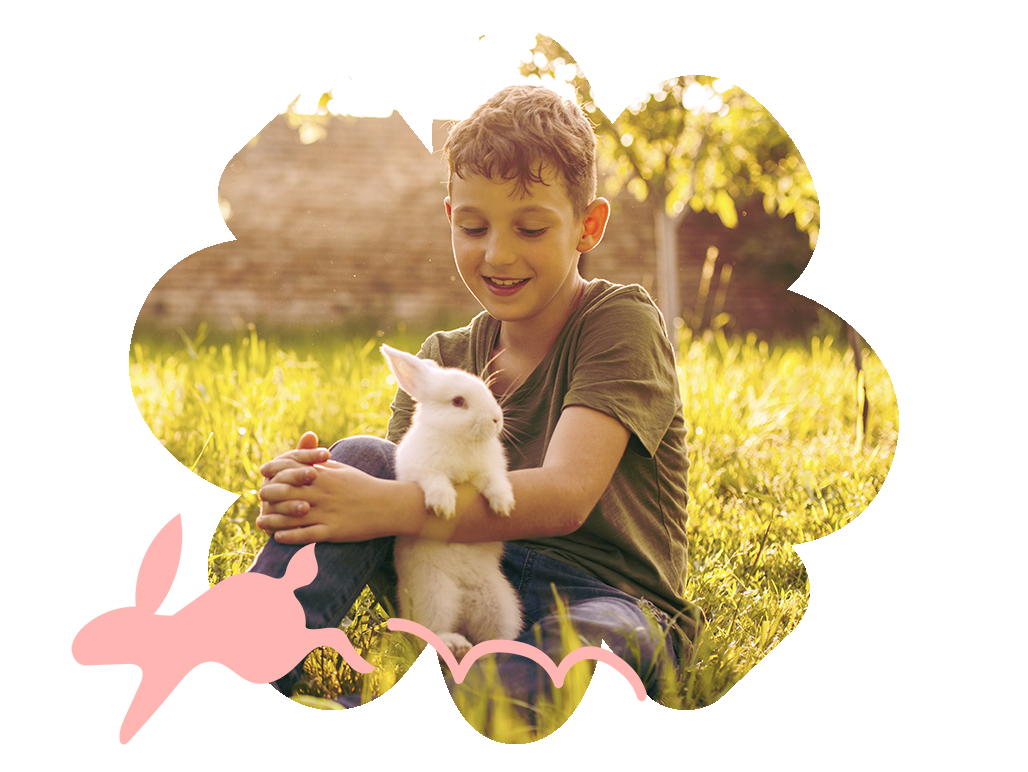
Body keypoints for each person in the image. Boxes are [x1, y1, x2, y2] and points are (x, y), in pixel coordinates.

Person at [251, 84, 702, 715]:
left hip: (604, 595)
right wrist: (313, 492)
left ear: (587, 227)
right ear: (450, 219)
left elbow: (567, 495)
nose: (498, 253)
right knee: (357, 456)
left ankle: (433, 709)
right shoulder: (445, 360)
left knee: (580, 653)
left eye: (532, 227)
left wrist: (378, 504)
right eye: (474, 226)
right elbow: (403, 503)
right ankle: (244, 659)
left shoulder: (617, 321)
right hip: (448, 574)